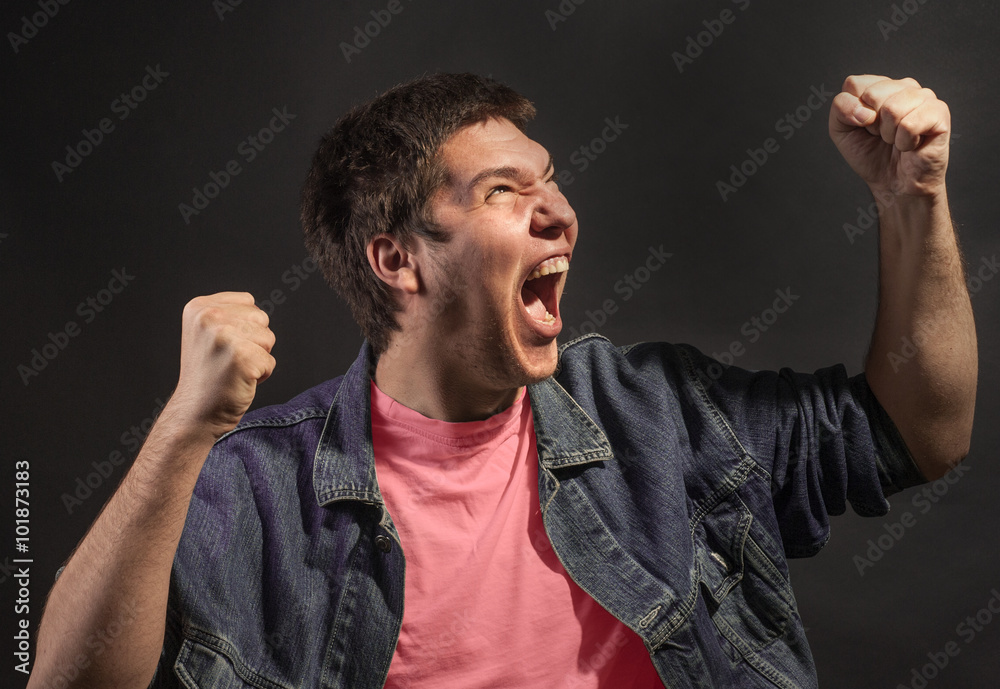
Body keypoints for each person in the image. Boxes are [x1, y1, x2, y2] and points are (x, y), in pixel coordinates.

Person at [29, 72, 976, 689]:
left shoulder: (655, 412)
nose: (560, 212)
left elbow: (920, 432)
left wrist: (912, 200)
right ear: (399, 259)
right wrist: (184, 430)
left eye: (551, 182)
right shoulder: (262, 488)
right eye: (504, 193)